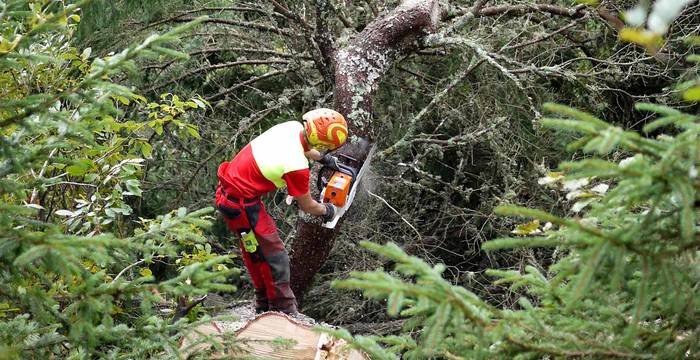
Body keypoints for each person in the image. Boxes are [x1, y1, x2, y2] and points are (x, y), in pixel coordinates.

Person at [215, 108, 348, 315]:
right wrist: (328, 210)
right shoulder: (297, 166)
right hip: (241, 205)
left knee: (254, 252)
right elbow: (308, 205)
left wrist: (324, 159)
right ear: (323, 142)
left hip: (230, 196)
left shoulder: (292, 127)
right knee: (275, 255)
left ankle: (263, 304)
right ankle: (283, 310)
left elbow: (303, 147)